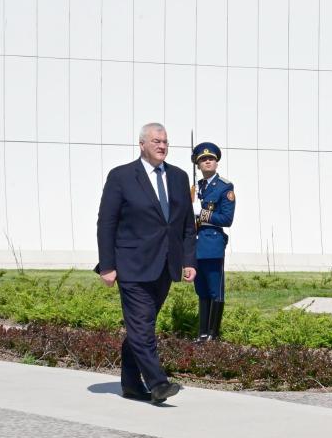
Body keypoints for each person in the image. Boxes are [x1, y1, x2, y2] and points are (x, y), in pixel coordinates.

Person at [96, 122, 195, 405]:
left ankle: (130, 383)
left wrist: (189, 260)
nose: (162, 146)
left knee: (142, 326)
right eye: (156, 141)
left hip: (165, 265)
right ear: (142, 144)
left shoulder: (178, 176)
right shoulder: (122, 176)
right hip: (131, 265)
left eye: (165, 141)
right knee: (141, 327)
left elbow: (187, 224)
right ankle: (157, 383)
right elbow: (107, 223)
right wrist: (107, 265)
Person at [190, 142, 235, 343]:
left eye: (211, 159)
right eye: (203, 160)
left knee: (215, 289)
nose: (207, 161)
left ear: (216, 162)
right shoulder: (196, 187)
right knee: (201, 289)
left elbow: (227, 219)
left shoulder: (225, 187)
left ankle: (213, 334)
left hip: (212, 243)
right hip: (195, 244)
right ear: (198, 165)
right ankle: (202, 333)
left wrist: (202, 214)